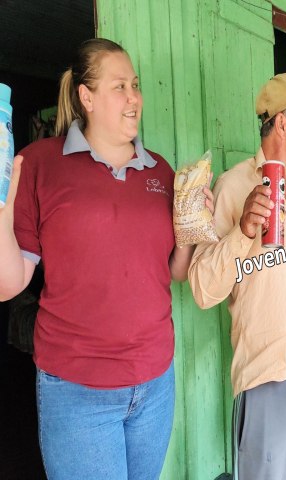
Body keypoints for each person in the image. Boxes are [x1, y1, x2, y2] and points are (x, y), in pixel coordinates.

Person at [0, 38, 197, 479]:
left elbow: (173, 273)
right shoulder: (39, 165)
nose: (134, 97)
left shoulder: (161, 173)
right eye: (119, 86)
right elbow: (8, 283)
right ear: (86, 97)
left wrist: (189, 229)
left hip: (154, 382)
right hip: (77, 391)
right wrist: (0, 213)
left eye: (136, 85)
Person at [188, 73, 286, 479]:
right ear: (282, 124)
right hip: (270, 381)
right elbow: (201, 288)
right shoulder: (234, 187)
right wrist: (243, 232)